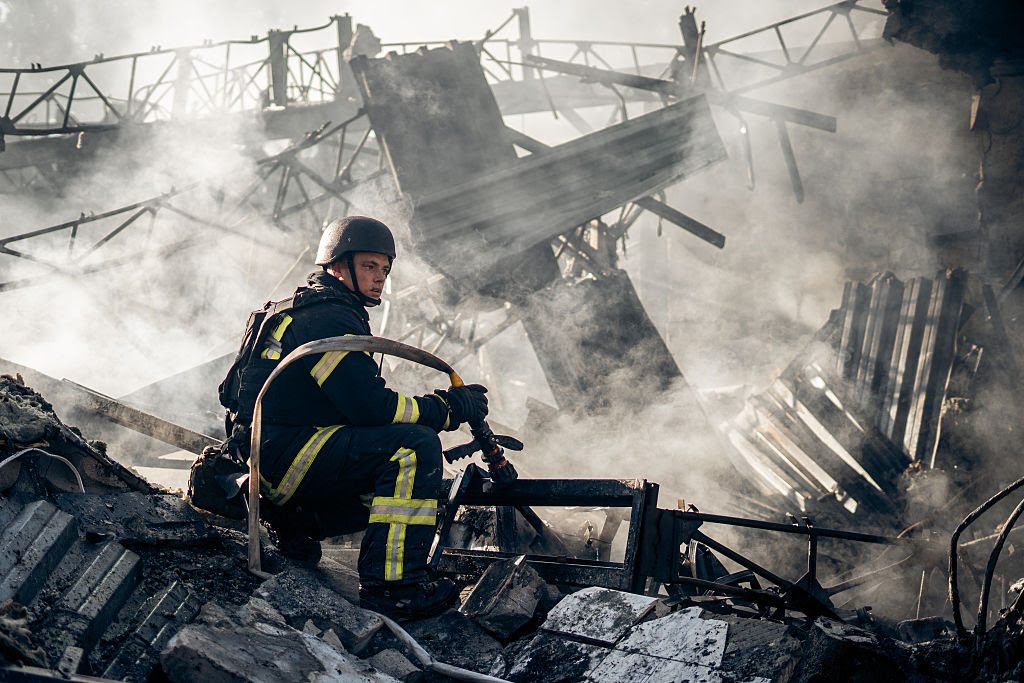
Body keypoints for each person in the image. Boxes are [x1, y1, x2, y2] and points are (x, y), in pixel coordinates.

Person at [254, 215, 488, 620]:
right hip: (285, 458)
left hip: (271, 456)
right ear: (337, 265)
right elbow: (373, 409)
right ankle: (393, 589)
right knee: (412, 449)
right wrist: (448, 409)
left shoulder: (305, 309)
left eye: (384, 269)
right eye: (369, 266)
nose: (379, 278)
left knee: (381, 462)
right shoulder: (327, 318)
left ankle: (297, 524)